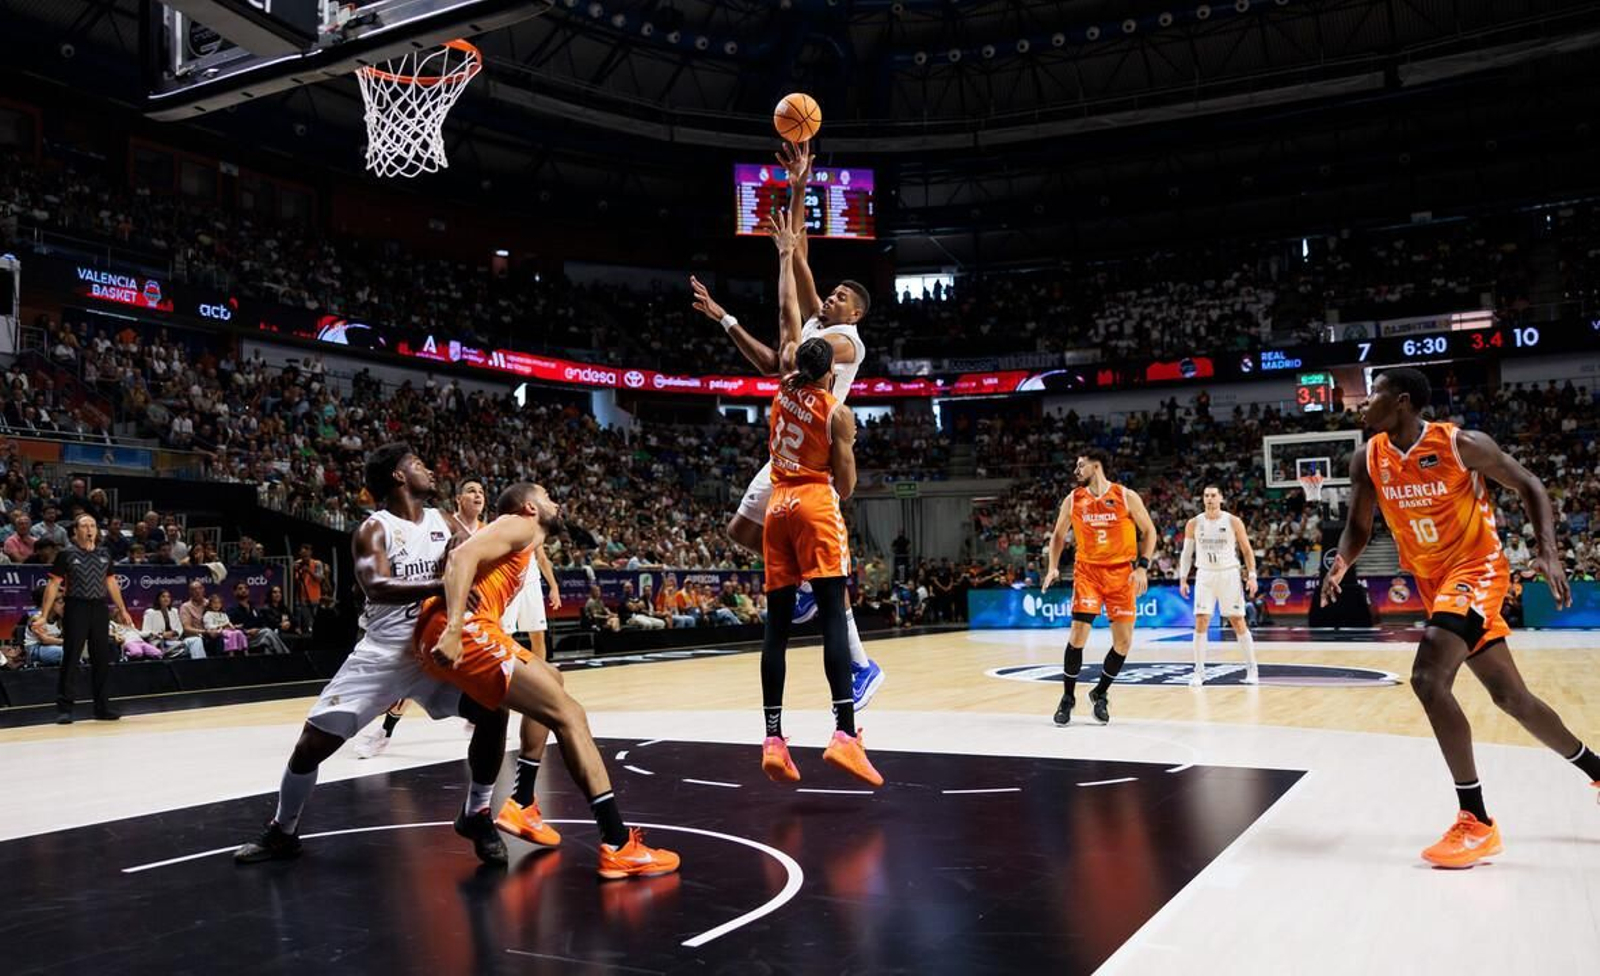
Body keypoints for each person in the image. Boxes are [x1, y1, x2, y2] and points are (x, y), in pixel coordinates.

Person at [1321, 367, 1600, 869]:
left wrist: (1548, 552)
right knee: (1511, 698)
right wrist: (1342, 562)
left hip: (1477, 568)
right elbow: (1358, 528)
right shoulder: (1367, 458)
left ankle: (1476, 821)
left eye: (1373, 397)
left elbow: (1530, 484)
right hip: (1434, 584)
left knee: (1428, 679)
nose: (1363, 406)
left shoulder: (1460, 445)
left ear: (1402, 402)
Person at [235, 444, 515, 867]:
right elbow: (376, 585)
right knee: (310, 746)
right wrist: (440, 587)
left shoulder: (444, 520)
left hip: (433, 647)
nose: (430, 470)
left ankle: (476, 813)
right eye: (419, 465)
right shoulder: (374, 528)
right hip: (383, 653)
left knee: (495, 707)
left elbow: (466, 556)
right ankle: (283, 830)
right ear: (399, 477)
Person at [691, 139, 884, 712]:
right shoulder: (824, 323)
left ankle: (861, 665)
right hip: (786, 450)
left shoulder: (847, 342)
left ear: (857, 313)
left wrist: (772, 284)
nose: (833, 294)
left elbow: (783, 348)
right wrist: (799, 186)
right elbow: (798, 258)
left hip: (815, 462)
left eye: (844, 294)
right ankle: (801, 591)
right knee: (741, 532)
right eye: (835, 290)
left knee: (827, 576)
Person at [417, 482, 681, 879]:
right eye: (547, 497)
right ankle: (617, 843)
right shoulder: (519, 525)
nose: (557, 503)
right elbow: (460, 556)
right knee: (570, 715)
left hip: (467, 630)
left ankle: (522, 801)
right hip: (461, 630)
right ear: (530, 507)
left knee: (551, 679)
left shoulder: (522, 543)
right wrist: (454, 629)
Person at [756, 332, 880, 787]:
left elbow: (789, 359)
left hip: (777, 507)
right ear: (831, 371)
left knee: (776, 629)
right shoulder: (837, 412)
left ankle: (773, 739)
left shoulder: (781, 392)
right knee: (832, 616)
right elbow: (845, 488)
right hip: (813, 504)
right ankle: (845, 733)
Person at [1041, 448, 1158, 726]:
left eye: (1080, 465)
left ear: (1096, 466)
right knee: (1078, 634)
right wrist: (1053, 566)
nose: (1076, 471)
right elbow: (1058, 535)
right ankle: (1067, 698)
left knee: (1124, 642)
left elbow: (1150, 531)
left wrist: (1142, 566)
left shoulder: (1126, 496)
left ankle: (1100, 693)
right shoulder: (1073, 499)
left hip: (1121, 573)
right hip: (1088, 572)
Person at [40, 514, 137, 722]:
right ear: (76, 531)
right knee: (72, 656)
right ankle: (65, 709)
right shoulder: (66, 554)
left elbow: (111, 583)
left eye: (93, 525)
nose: (90, 529)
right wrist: (43, 615)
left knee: (101, 658)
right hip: (76, 606)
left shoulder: (104, 553)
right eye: (84, 526)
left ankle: (102, 708)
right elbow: (53, 585)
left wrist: (123, 609)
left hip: (99, 607)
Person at [1178, 486, 1261, 686]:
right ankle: (1199, 672)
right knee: (1201, 621)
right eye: (1206, 496)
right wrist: (1182, 578)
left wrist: (1252, 576)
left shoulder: (1233, 521)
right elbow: (1186, 553)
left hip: (1229, 574)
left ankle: (1252, 669)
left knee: (1237, 621)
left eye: (1214, 495)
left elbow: (1247, 551)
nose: (1210, 499)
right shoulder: (1194, 523)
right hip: (1205, 574)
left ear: (1221, 498)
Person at [229, 581, 290, 655]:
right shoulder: (232, 610)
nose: (243, 590)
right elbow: (231, 628)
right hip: (245, 638)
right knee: (267, 633)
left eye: (246, 588)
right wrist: (247, 631)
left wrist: (260, 629)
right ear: (235, 592)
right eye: (240, 588)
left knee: (268, 645)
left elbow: (262, 622)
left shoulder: (253, 607)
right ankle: (287, 656)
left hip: (259, 635)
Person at [141, 589, 205, 659]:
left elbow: (179, 629)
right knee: (187, 647)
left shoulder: (174, 611)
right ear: (158, 599)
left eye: (168, 597)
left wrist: (173, 633)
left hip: (175, 640)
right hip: (160, 642)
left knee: (196, 640)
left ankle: (200, 665)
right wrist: (161, 634)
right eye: (163, 597)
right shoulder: (150, 612)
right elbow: (145, 632)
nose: (166, 599)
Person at [180, 580, 224, 657]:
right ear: (190, 592)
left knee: (220, 637)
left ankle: (219, 665)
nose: (197, 591)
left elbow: (220, 619)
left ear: (203, 590)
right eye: (194, 589)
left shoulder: (210, 603)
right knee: (200, 641)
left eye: (200, 588)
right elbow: (187, 628)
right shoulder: (185, 607)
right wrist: (205, 632)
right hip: (196, 636)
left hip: (213, 634)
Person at [292, 543, 328, 636]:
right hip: (300, 598)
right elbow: (293, 581)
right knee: (304, 624)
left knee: (314, 624)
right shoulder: (297, 563)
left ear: (310, 553)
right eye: (302, 555)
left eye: (306, 554)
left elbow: (320, 579)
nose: (304, 557)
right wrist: (293, 571)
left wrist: (309, 571)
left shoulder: (317, 564)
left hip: (314, 598)